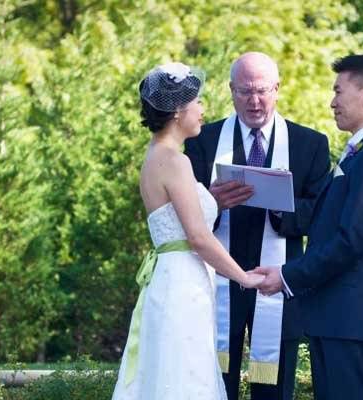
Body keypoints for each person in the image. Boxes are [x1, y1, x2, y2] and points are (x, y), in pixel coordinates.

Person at [111, 62, 264, 400]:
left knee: (172, 368)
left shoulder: (155, 156)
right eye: (198, 102)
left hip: (171, 278)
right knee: (186, 372)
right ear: (178, 111)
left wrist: (211, 200)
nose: (202, 109)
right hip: (182, 282)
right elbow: (197, 236)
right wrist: (244, 276)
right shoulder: (176, 161)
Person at [255, 54, 363, 399]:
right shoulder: (359, 153)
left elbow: (350, 241)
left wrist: (287, 276)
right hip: (333, 313)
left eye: (339, 91)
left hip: (348, 315)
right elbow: (325, 221)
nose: (332, 102)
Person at [184, 52, 330, 400]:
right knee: (215, 388)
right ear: (231, 90)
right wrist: (213, 203)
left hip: (278, 281)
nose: (254, 101)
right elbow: (185, 216)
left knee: (275, 392)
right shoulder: (203, 141)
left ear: (277, 88)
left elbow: (321, 214)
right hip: (217, 283)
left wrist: (281, 210)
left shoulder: (309, 144)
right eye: (245, 91)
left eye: (262, 90)